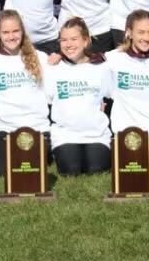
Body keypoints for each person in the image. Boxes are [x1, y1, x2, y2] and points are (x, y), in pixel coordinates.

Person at [104, 9, 149, 175]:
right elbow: (85, 64)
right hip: (126, 132)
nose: (146, 37)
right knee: (128, 170)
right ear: (129, 33)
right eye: (141, 32)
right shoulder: (113, 59)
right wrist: (57, 58)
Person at [0, 10, 51, 176]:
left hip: (36, 126)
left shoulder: (41, 57)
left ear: (22, 32)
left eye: (15, 31)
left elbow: (52, 93)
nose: (11, 36)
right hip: (4, 127)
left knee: (30, 170)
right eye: (6, 32)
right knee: (1, 172)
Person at [44, 17, 112, 174]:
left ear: (86, 41)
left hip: (96, 134)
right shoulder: (53, 68)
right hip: (65, 135)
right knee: (71, 170)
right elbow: (46, 98)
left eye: (74, 39)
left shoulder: (102, 66)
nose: (68, 44)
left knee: (97, 169)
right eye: (64, 40)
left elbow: (112, 93)